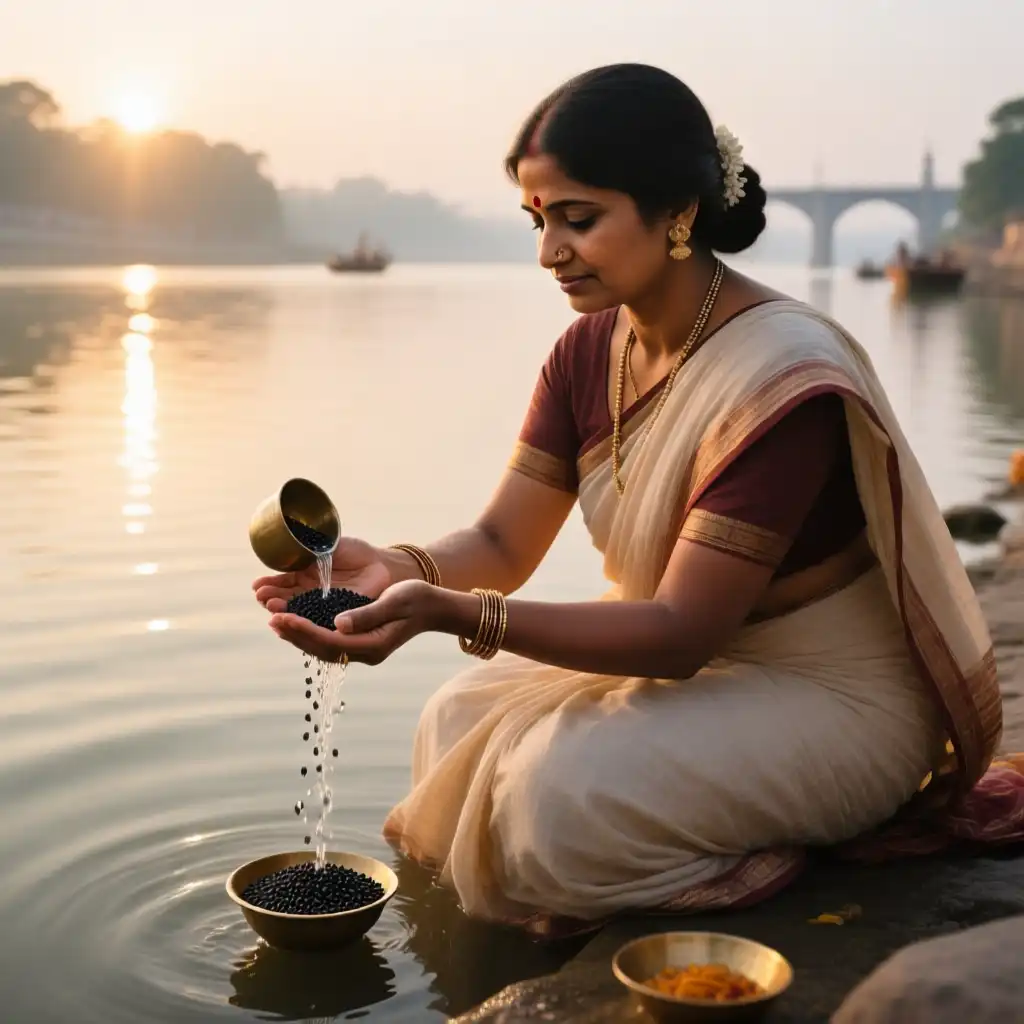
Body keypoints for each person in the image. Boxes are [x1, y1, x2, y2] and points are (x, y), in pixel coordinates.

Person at [254, 64, 1024, 933]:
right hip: (694, 661)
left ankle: (767, 853)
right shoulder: (585, 353)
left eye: (579, 219)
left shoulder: (779, 378)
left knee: (556, 805)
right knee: (455, 720)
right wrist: (395, 566)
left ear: (679, 214)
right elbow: (504, 540)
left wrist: (451, 613)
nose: (549, 251)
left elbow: (682, 635)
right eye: (538, 220)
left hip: (833, 693)